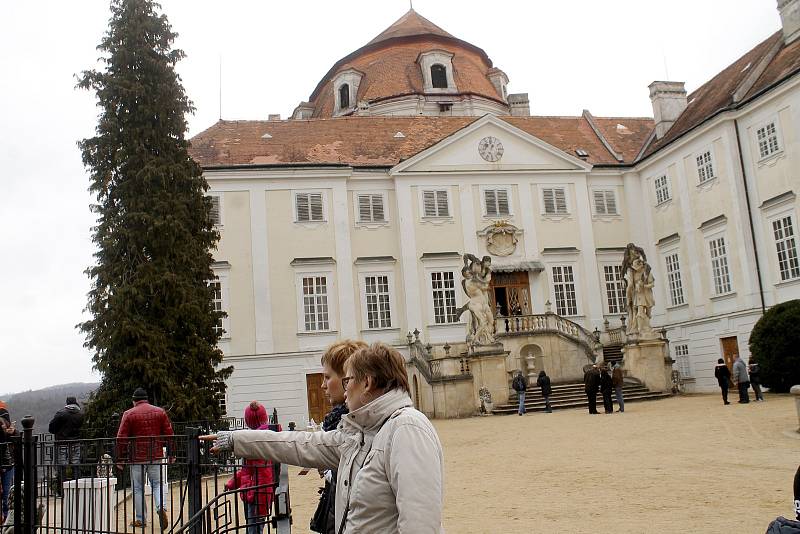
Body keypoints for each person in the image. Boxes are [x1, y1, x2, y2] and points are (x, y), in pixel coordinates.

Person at [202, 342, 444, 534]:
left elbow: (419, 521)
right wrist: (235, 440)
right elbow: (299, 445)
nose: (344, 387)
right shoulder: (361, 432)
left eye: (347, 380)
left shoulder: (407, 428)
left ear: (367, 382)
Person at [311, 339, 366, 534]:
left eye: (327, 377)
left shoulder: (352, 422)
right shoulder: (338, 420)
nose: (323, 385)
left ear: (347, 379)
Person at [116, 388, 174, 530]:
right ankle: (161, 507)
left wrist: (120, 458)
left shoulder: (128, 414)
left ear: (134, 400)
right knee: (157, 484)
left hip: (136, 457)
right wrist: (172, 453)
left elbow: (121, 438)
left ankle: (141, 519)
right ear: (147, 399)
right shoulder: (160, 411)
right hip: (155, 454)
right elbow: (169, 433)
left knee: (138, 488)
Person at [225, 401, 278, 534]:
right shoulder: (267, 437)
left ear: (248, 421)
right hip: (260, 491)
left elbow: (247, 470)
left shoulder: (251, 443)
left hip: (254, 493)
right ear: (264, 417)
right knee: (256, 527)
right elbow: (246, 470)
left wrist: (232, 483)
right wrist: (232, 483)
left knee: (253, 528)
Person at [48, 396, 84, 496]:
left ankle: (63, 491)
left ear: (67, 403)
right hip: (76, 442)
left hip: (62, 442)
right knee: (76, 465)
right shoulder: (80, 414)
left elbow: (51, 428)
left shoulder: (61, 414)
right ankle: (78, 489)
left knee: (62, 466)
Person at [0, 402, 17, 525]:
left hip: (8, 464)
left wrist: (13, 433)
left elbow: (19, 441)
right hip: (6, 463)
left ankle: (6, 518)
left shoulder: (11, 431)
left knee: (7, 492)